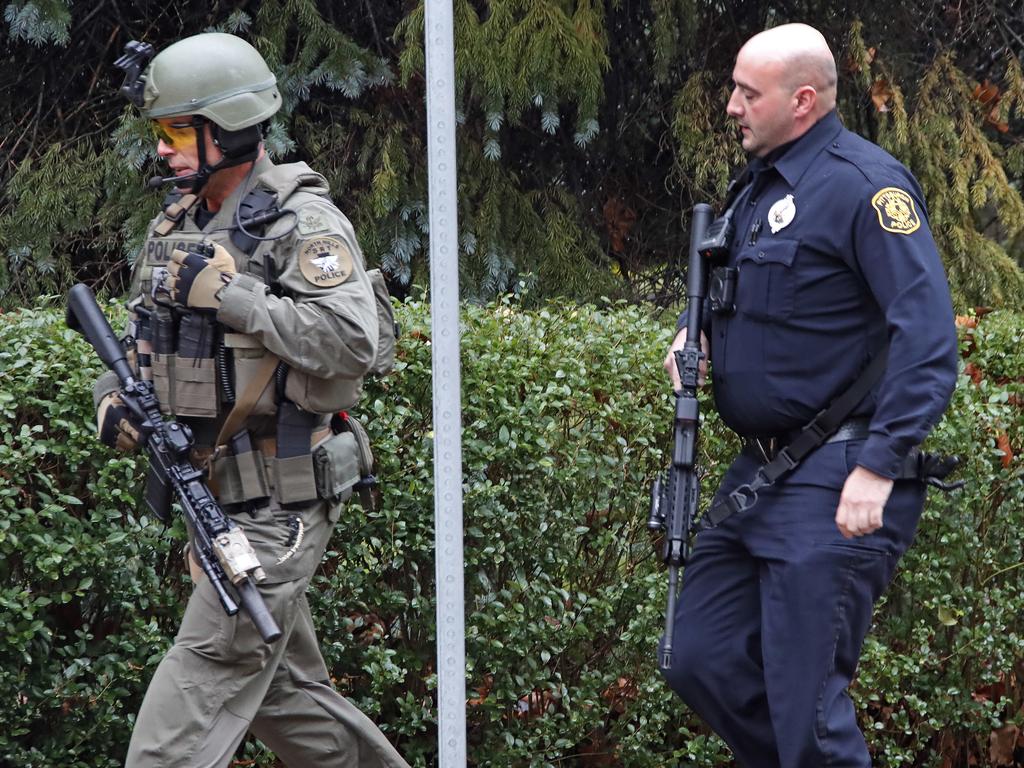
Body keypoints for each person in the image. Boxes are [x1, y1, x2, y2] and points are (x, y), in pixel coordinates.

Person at [93, 32, 409, 768]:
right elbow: (139, 345)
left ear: (228, 126)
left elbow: (354, 343)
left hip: (283, 499)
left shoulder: (300, 222)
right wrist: (112, 402)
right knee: (286, 699)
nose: (163, 150)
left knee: (187, 710)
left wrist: (234, 296)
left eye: (176, 132)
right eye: (160, 133)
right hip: (216, 497)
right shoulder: (177, 222)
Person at [659, 23, 958, 767]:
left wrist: (880, 464)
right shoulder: (758, 186)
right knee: (696, 656)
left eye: (745, 92)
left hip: (835, 476)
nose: (730, 105)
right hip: (757, 477)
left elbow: (927, 340)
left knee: (808, 715)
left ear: (801, 100)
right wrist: (692, 337)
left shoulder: (867, 188)